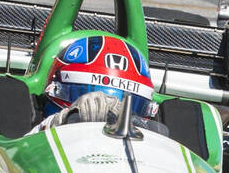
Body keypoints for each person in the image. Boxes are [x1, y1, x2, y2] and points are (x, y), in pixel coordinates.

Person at [32, 34, 164, 134]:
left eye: (130, 102)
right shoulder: (38, 132)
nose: (109, 111)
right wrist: (67, 118)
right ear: (55, 90)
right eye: (83, 92)